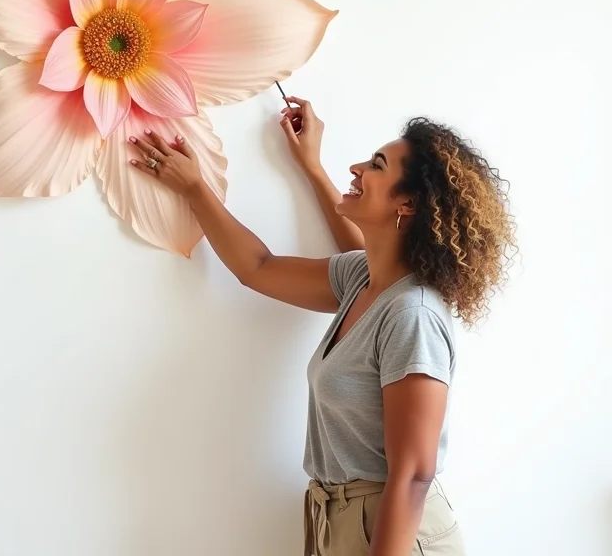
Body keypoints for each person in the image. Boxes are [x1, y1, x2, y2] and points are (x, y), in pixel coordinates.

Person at [129, 96, 516, 556]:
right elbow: (258, 267)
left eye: (376, 165)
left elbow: (414, 474)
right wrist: (201, 187)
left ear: (408, 203)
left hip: (394, 530)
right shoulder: (363, 280)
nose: (356, 168)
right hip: (338, 518)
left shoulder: (412, 316)